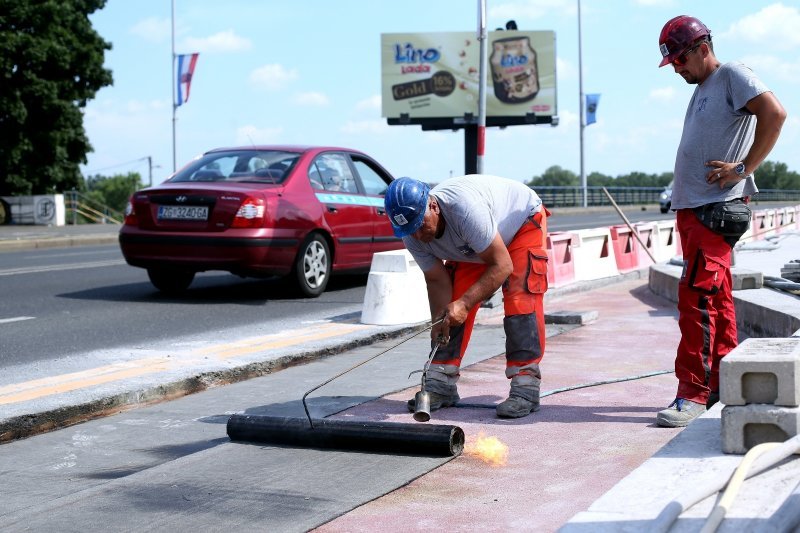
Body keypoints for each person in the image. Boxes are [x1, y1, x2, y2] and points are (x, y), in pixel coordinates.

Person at [656, 15, 786, 427]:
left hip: (715, 209)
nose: (677, 68)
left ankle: (693, 393)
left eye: (680, 59)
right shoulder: (702, 88)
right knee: (719, 298)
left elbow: (775, 113)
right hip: (697, 209)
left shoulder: (731, 74)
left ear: (702, 49)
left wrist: (743, 167)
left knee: (697, 300)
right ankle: (725, 382)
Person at [384, 174, 549, 419]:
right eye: (410, 229)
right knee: (451, 306)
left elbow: (502, 265)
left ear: (433, 205)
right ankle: (441, 383)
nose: (418, 234)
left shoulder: (464, 210)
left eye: (421, 224)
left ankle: (525, 387)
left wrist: (465, 304)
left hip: (521, 223)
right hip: (477, 243)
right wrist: (441, 322)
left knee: (519, 298)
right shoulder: (410, 231)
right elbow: (436, 280)